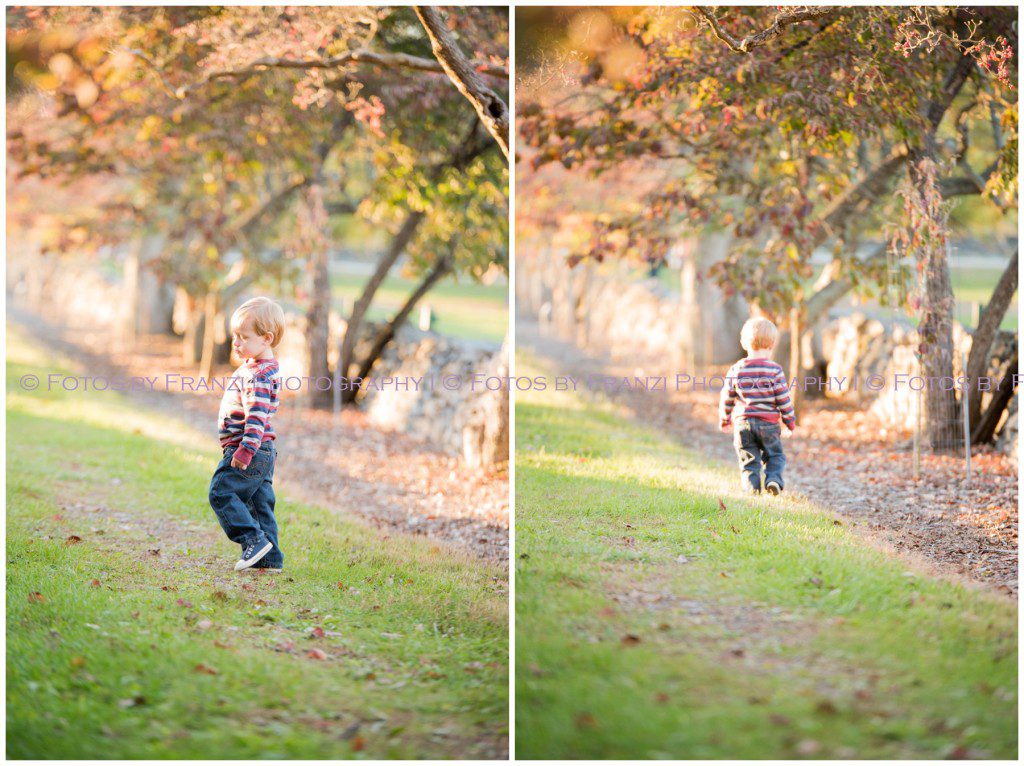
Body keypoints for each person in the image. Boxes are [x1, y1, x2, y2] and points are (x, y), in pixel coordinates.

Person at [208, 297, 285, 570]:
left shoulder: (258, 376)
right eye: (234, 336)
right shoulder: (260, 368)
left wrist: (245, 450)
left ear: (266, 338)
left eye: (243, 337)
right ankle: (270, 558)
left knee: (220, 492)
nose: (236, 343)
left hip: (250, 448)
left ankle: (252, 539)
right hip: (262, 450)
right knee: (259, 503)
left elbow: (256, 418)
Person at [718, 317, 796, 495]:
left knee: (749, 460)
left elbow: (727, 396)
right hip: (768, 424)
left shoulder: (736, 369)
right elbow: (784, 399)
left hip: (743, 424)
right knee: (775, 455)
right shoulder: (774, 370)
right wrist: (789, 421)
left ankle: (752, 490)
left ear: (744, 343)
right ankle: (773, 480)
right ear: (772, 344)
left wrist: (725, 418)